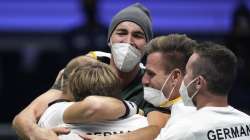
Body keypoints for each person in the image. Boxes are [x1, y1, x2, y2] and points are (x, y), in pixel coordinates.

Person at [12, 3, 168, 140]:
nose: (128, 42)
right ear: (109, 39)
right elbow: (24, 117)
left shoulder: (155, 85)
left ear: (148, 45)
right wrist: (36, 134)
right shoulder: (83, 68)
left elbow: (157, 130)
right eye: (121, 33)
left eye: (137, 35)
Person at [83, 34, 198, 140]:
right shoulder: (164, 104)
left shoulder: (186, 124)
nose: (144, 80)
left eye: (151, 74)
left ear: (175, 77)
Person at [38, 56, 148, 140]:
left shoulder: (52, 118)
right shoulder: (142, 125)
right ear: (117, 90)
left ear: (74, 90)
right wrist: (132, 108)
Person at [158, 42, 250, 140]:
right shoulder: (247, 122)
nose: (183, 79)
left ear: (198, 82)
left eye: (186, 73)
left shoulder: (182, 130)